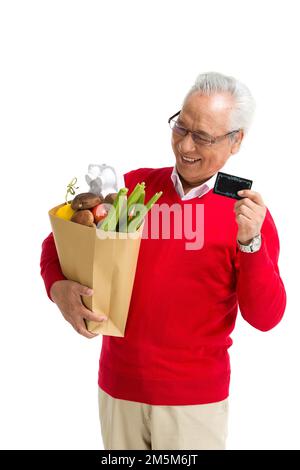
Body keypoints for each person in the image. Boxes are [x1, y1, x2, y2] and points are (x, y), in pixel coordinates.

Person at [40, 72, 287, 450]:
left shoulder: (246, 215)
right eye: (181, 127)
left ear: (236, 141)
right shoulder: (135, 188)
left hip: (194, 404)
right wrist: (59, 289)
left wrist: (251, 242)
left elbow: (266, 317)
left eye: (202, 136)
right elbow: (57, 245)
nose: (185, 144)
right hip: (118, 389)